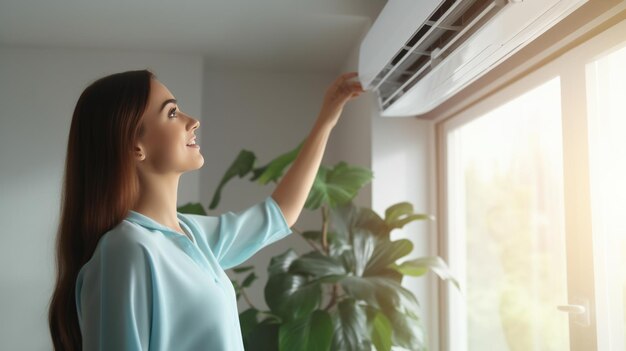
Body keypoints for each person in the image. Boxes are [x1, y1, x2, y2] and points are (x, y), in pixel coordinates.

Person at [47, 68, 365, 351]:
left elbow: (279, 213)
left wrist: (328, 115)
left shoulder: (192, 235)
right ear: (134, 146)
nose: (192, 121)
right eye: (171, 113)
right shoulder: (125, 251)